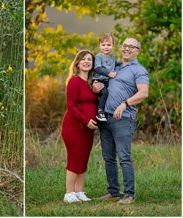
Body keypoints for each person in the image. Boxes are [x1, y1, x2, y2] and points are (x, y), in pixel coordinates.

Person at [96, 36, 148, 205]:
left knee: (124, 157)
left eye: (131, 47)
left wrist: (125, 104)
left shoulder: (139, 70)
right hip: (106, 118)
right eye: (125, 45)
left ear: (138, 51)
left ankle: (129, 195)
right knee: (108, 157)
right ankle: (112, 192)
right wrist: (96, 87)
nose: (127, 49)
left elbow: (143, 93)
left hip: (123, 119)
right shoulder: (115, 66)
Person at [60, 51, 100, 203]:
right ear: (77, 63)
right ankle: (69, 193)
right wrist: (85, 120)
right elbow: (71, 106)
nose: (86, 62)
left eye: (89, 59)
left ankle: (79, 191)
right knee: (75, 158)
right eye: (83, 59)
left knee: (83, 158)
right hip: (74, 127)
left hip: (88, 129)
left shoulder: (91, 84)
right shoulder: (74, 81)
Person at [93, 34, 119, 122]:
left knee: (112, 93)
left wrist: (124, 63)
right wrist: (108, 73)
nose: (106, 47)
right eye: (103, 45)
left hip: (108, 80)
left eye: (108, 45)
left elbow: (116, 64)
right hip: (100, 79)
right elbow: (98, 68)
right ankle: (100, 112)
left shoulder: (112, 57)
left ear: (113, 46)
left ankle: (110, 111)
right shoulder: (99, 56)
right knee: (105, 92)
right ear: (99, 46)